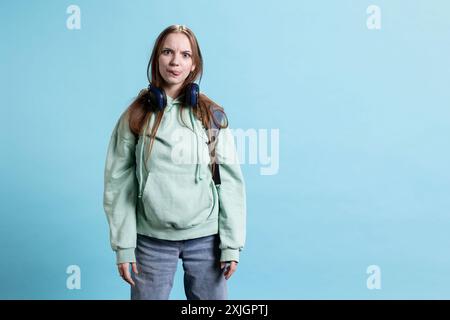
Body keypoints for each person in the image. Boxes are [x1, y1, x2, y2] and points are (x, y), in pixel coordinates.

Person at [103, 24, 246, 300]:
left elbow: (229, 181)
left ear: (194, 64)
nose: (175, 61)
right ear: (157, 58)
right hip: (151, 240)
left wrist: (231, 245)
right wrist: (123, 245)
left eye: (184, 54)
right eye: (167, 52)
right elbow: (117, 184)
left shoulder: (211, 115)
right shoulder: (135, 115)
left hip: (206, 239)